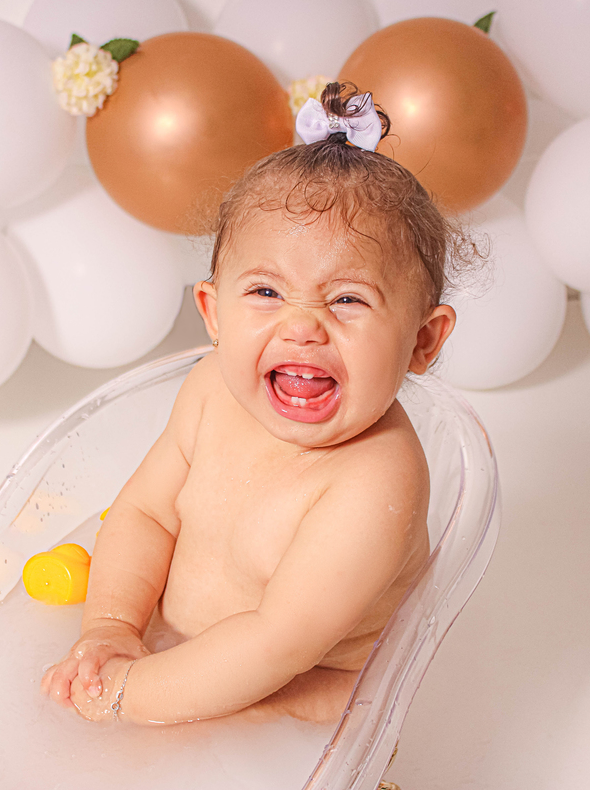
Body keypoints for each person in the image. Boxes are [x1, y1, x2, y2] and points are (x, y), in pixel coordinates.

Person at [41, 82, 481, 725]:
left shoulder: (376, 479)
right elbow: (145, 514)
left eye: (348, 300)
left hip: (304, 686)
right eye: (267, 292)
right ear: (214, 313)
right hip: (175, 662)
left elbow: (279, 642)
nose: (301, 327)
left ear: (422, 340)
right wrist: (111, 626)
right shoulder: (208, 391)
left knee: (332, 715)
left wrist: (127, 696)